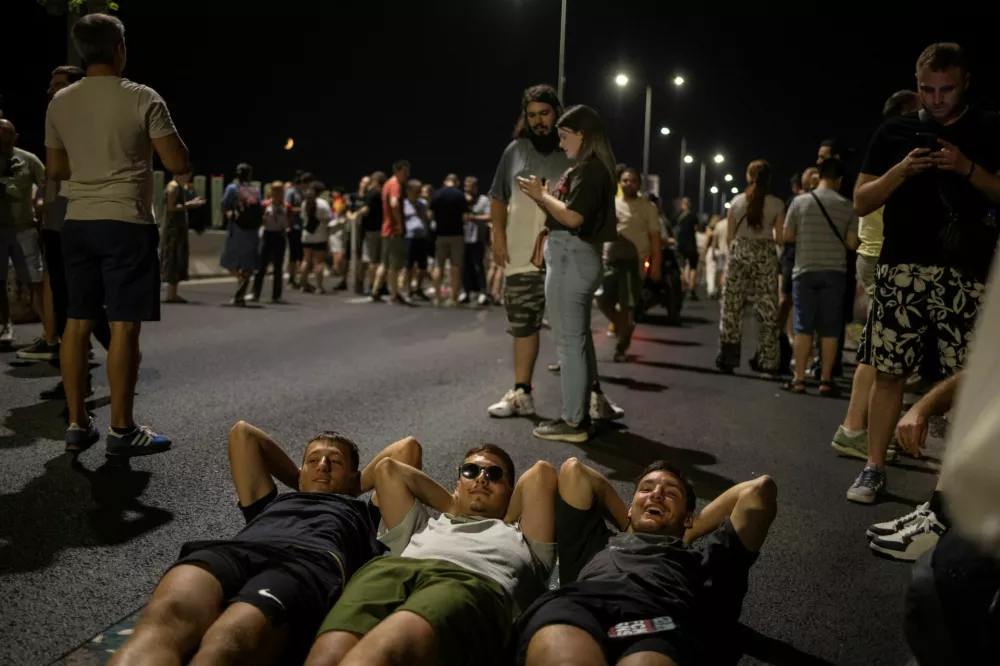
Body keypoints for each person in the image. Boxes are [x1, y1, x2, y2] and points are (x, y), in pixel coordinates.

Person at [108, 422, 423, 666]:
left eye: (335, 462)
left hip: (306, 563)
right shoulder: (269, 502)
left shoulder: (368, 512)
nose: (323, 465)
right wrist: (303, 480)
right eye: (313, 460)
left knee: (228, 639)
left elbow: (406, 450)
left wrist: (351, 486)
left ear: (354, 476)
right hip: (232, 553)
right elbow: (243, 434)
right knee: (165, 616)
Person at [849, 42, 1000, 503]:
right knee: (889, 371)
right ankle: (874, 467)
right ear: (916, 86)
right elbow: (861, 200)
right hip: (901, 267)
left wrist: (965, 167)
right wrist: (899, 172)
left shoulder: (990, 127)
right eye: (927, 89)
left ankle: (949, 483)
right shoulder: (894, 131)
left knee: (966, 377)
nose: (937, 99)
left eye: (947, 89)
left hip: (968, 271)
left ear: (965, 83)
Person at [46, 13, 190, 455]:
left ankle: (76, 423)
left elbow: (54, 170)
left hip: (78, 222)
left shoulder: (60, 102)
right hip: (127, 221)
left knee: (76, 323)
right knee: (124, 327)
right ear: (120, 49)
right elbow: (177, 161)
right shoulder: (142, 97)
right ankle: (122, 430)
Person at [305, 447, 557, 666]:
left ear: (511, 491)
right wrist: (453, 505)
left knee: (383, 652)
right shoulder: (425, 526)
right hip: (390, 570)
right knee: (327, 654)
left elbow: (541, 474)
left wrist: (504, 515)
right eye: (470, 472)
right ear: (457, 485)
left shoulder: (523, 536)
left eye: (494, 475)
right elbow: (388, 469)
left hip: (467, 582)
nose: (481, 479)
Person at [516, 458, 777, 666]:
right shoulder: (596, 543)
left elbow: (759, 491)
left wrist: (693, 528)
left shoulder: (699, 563)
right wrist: (630, 522)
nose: (656, 494)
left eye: (671, 493)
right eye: (646, 489)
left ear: (688, 517)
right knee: (563, 653)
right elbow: (575, 471)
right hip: (580, 604)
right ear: (630, 507)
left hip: (659, 615)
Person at [518, 105, 625, 443]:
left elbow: (574, 218)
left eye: (565, 136)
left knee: (570, 343)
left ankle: (574, 420)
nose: (561, 144)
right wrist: (544, 198)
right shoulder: (591, 169)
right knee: (576, 341)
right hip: (574, 258)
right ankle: (579, 416)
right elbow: (567, 213)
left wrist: (542, 195)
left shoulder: (591, 170)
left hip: (572, 259)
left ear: (582, 134)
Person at [830, 90, 921, 460]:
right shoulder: (896, 149)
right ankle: (855, 428)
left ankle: (855, 428)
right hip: (884, 255)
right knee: (881, 352)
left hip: (875, 253)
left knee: (876, 347)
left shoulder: (884, 150)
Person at [486, 85, 574, 418]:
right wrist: (498, 238)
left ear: (557, 113)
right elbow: (497, 197)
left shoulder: (571, 150)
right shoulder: (515, 151)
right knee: (523, 325)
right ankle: (522, 392)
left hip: (565, 254)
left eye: (545, 114)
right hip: (521, 255)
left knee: (572, 326)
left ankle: (590, 397)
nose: (538, 122)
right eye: (532, 115)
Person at [781, 157, 859, 395]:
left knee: (803, 325)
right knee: (830, 328)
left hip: (804, 270)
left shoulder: (799, 202)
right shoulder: (848, 206)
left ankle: (799, 379)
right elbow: (852, 243)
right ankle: (826, 380)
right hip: (834, 272)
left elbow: (786, 236)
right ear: (839, 180)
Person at [716, 160, 785, 375]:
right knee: (767, 308)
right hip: (765, 253)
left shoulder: (736, 203)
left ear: (748, 177)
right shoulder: (777, 204)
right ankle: (768, 361)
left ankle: (728, 357)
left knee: (732, 307)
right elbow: (781, 238)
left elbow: (729, 238)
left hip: (739, 252)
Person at [598, 167, 662, 363]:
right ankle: (625, 327)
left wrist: (656, 265)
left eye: (633, 181)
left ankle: (621, 347)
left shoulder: (648, 208)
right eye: (625, 180)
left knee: (628, 305)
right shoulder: (611, 205)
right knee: (603, 302)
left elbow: (655, 237)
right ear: (620, 183)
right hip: (610, 261)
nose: (629, 184)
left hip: (633, 263)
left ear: (638, 184)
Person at [0, 119, 46, 349]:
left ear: (15, 137)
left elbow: (48, 185)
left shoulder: (28, 160)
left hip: (23, 228)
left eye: (7, 137)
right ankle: (3, 326)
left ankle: (50, 332)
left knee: (34, 281)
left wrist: (41, 203)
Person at [221, 164, 263, 306]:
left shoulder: (232, 188)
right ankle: (241, 292)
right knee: (248, 264)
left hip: (237, 229)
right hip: (252, 231)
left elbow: (225, 206)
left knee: (229, 261)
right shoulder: (256, 190)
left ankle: (240, 286)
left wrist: (231, 217)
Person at [161, 171, 205, 304]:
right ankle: (170, 294)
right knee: (173, 257)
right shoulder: (173, 187)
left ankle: (173, 293)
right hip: (173, 229)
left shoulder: (180, 187)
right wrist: (190, 204)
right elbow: (171, 207)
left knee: (178, 258)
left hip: (179, 228)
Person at [371, 160, 410, 305]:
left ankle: (375, 290)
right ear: (398, 172)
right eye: (405, 172)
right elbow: (394, 204)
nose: (406, 176)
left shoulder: (386, 184)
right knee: (394, 265)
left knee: (384, 263)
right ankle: (395, 294)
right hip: (393, 230)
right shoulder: (395, 186)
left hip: (386, 229)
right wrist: (399, 224)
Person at [429, 173, 468, 307]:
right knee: (456, 266)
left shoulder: (437, 195)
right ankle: (453, 298)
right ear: (456, 182)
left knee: (438, 265)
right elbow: (465, 216)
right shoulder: (459, 195)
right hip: (456, 234)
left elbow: (430, 214)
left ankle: (437, 297)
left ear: (445, 181)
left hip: (440, 235)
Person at [252, 181, 291, 304]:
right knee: (261, 266)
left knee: (278, 268)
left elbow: (290, 221)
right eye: (274, 190)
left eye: (280, 191)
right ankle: (255, 293)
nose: (277, 193)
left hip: (279, 235)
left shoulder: (286, 206)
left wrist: (287, 227)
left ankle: (276, 295)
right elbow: (258, 220)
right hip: (267, 234)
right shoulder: (265, 205)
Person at [462, 176, 492, 306]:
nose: (467, 189)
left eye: (470, 187)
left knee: (478, 266)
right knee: (465, 266)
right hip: (463, 238)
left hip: (477, 238)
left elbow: (489, 216)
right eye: (465, 187)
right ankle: (465, 292)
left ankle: (483, 292)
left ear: (475, 187)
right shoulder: (461, 199)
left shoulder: (483, 200)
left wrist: (474, 217)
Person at [299, 181, 332, 294]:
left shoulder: (305, 203)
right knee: (319, 262)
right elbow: (328, 219)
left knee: (306, 260)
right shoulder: (323, 204)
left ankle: (303, 285)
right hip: (320, 236)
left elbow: (303, 218)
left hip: (307, 236)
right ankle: (319, 286)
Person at [402, 178, 431, 301]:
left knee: (423, 265)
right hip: (409, 237)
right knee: (408, 265)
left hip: (422, 237)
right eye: (416, 190)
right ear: (409, 190)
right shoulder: (403, 204)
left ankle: (418, 288)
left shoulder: (423, 204)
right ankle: (408, 289)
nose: (418, 193)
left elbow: (426, 218)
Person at [360, 172, 385, 296]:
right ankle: (380, 285)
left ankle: (372, 285)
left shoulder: (373, 194)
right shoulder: (383, 194)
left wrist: (355, 215)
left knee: (372, 260)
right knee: (381, 260)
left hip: (371, 230)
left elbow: (366, 209)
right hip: (383, 229)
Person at [284, 173, 310, 289]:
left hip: (302, 227)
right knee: (293, 255)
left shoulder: (303, 193)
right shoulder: (291, 193)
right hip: (293, 227)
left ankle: (300, 278)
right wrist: (302, 209)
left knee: (300, 255)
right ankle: (291, 278)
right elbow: (287, 208)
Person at [675, 198, 699, 299]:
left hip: (680, 245)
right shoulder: (693, 216)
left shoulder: (677, 216)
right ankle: (691, 290)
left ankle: (682, 288)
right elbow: (696, 228)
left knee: (681, 267)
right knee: (693, 267)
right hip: (691, 245)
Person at [705, 213, 728, 300]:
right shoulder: (730, 224)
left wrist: (713, 251)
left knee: (712, 272)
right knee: (723, 271)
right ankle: (722, 289)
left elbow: (713, 241)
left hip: (717, 250)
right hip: (726, 251)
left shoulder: (718, 226)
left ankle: (712, 289)